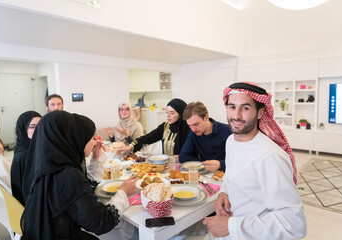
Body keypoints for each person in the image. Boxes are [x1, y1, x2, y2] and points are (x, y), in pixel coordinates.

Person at [203, 82, 306, 239]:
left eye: (245, 108)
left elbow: (294, 224)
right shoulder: (231, 141)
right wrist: (224, 192)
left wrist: (230, 226)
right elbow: (230, 176)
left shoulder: (270, 157)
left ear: (260, 113)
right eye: (232, 107)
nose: (236, 115)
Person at [21, 111, 138, 239]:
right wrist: (123, 192)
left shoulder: (45, 166)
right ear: (75, 138)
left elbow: (78, 197)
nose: (95, 142)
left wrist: (95, 160)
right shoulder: (67, 175)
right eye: (92, 137)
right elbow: (101, 222)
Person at [119, 98, 189, 156]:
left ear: (181, 113)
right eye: (167, 112)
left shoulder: (189, 129)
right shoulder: (165, 127)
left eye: (172, 113)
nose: (168, 116)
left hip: (185, 168)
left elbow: (194, 153)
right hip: (167, 168)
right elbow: (146, 138)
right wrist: (130, 147)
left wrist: (182, 157)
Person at [179, 102, 232, 172]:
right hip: (205, 175)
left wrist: (220, 164)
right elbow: (183, 157)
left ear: (206, 117)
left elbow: (239, 162)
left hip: (224, 175)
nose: (193, 129)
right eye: (190, 125)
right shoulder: (194, 132)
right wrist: (204, 164)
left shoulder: (228, 132)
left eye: (196, 124)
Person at [11, 111, 42, 205]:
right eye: (32, 127)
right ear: (23, 129)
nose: (37, 130)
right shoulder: (25, 156)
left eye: (40, 125)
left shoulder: (30, 148)